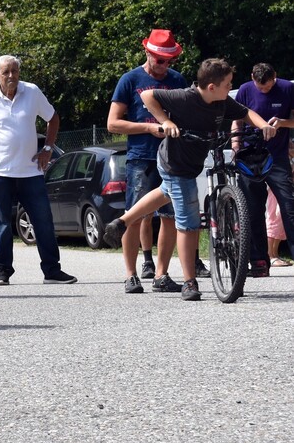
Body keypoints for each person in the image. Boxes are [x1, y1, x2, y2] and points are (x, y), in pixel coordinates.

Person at [110, 59, 275, 301]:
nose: (230, 87)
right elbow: (147, 96)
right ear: (211, 87)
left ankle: (122, 221)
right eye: (227, 84)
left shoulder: (221, 102)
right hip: (175, 163)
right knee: (189, 222)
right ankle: (190, 282)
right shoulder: (185, 97)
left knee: (166, 192)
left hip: (190, 163)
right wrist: (165, 121)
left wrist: (262, 126)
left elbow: (245, 112)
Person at [0, 55, 77, 286]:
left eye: (15, 71)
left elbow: (53, 118)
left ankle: (52, 271)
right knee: (1, 222)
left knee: (43, 221)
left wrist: (48, 149)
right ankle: (2, 272)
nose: (11, 76)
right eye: (6, 72)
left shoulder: (31, 92)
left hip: (31, 172)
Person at [105, 29, 188, 294]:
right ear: (147, 53)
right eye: (159, 60)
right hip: (142, 157)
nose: (165, 66)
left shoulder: (177, 80)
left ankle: (161, 275)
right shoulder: (130, 79)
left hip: (174, 156)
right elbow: (112, 123)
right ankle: (131, 275)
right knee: (135, 215)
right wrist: (148, 128)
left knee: (170, 216)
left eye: (169, 60)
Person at [232, 63, 294, 277]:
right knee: (252, 209)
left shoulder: (287, 88)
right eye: (261, 87)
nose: (264, 90)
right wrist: (236, 145)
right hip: (250, 157)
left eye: (268, 87)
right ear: (252, 78)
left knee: (288, 206)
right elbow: (237, 118)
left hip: (277, 158)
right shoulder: (245, 89)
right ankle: (259, 261)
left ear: (275, 77)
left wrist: (283, 123)